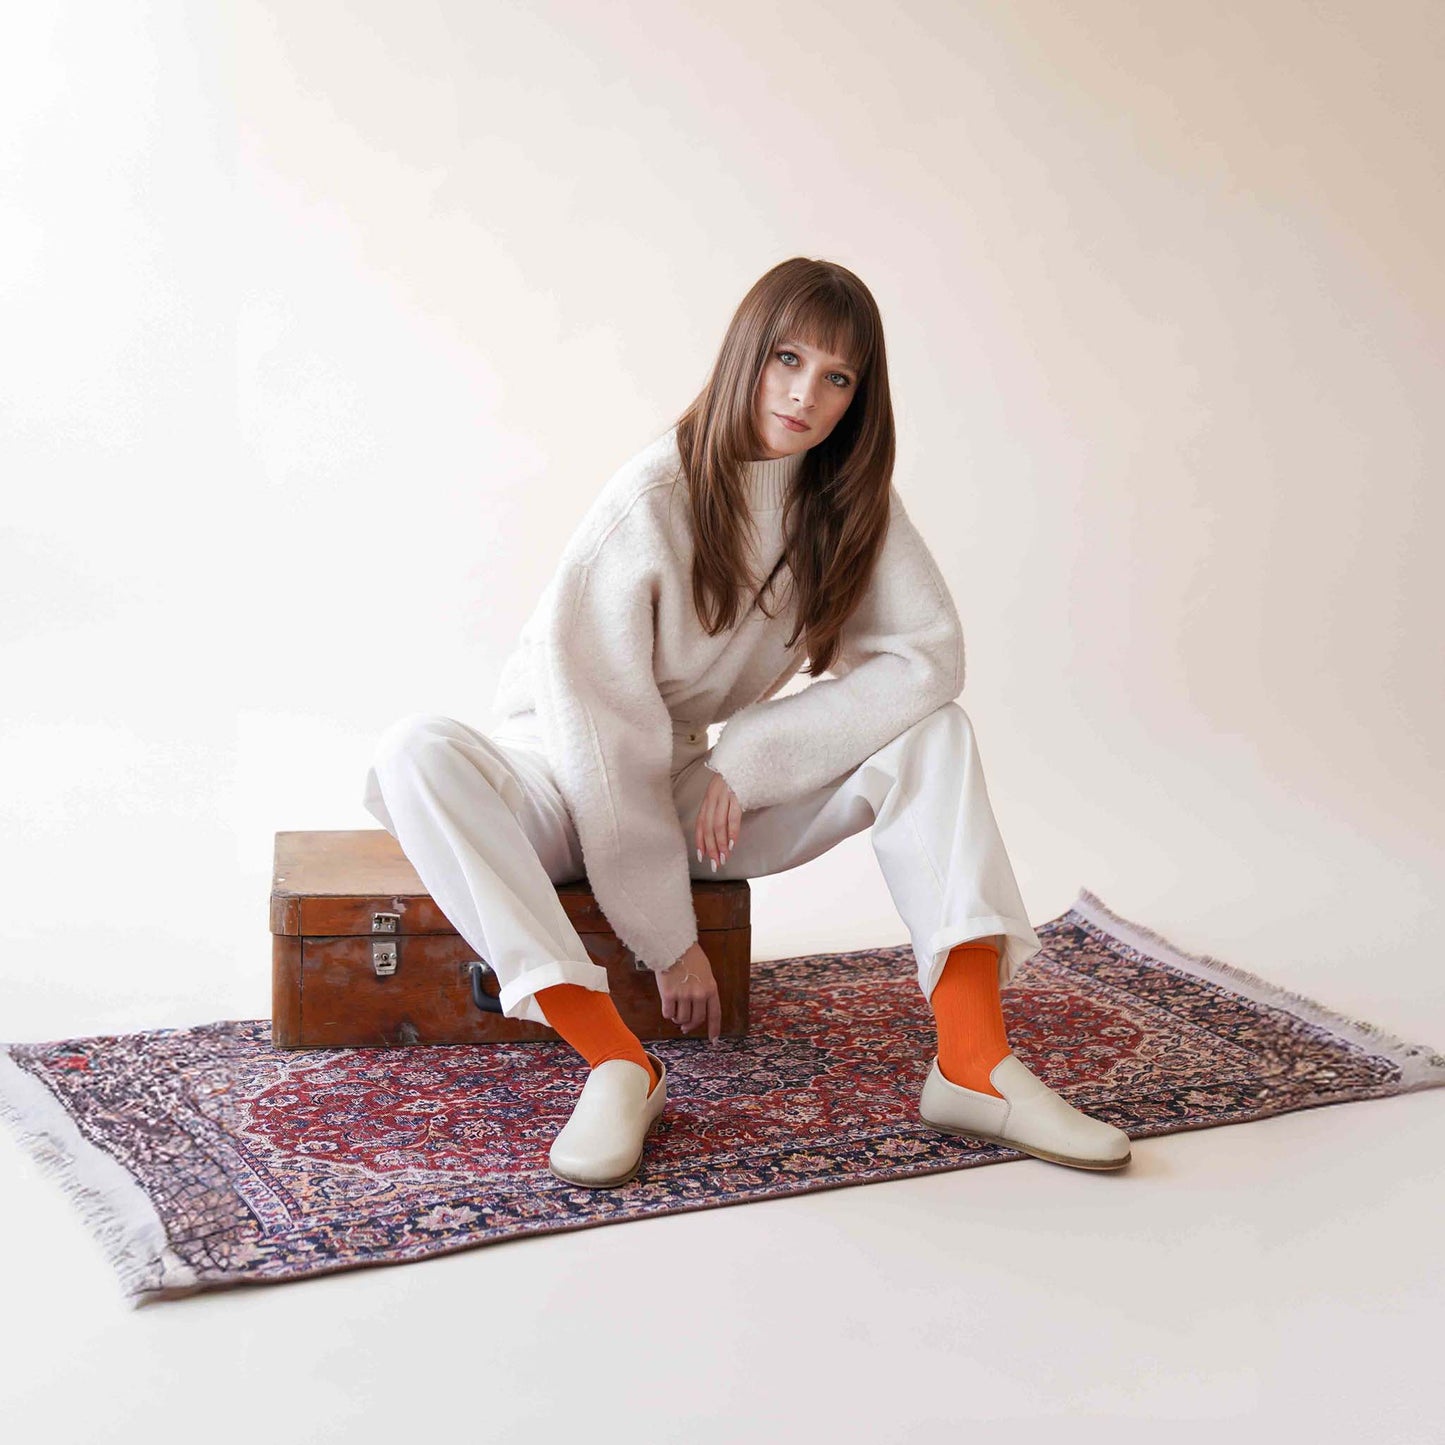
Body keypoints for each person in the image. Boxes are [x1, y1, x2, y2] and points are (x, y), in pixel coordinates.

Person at [361, 257, 1131, 1188]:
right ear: (744, 357)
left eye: (837, 377)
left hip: (691, 787)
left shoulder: (843, 505)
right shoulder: (651, 498)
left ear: (859, 397)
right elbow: (601, 745)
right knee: (412, 753)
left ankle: (971, 1058)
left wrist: (752, 758)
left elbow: (924, 658)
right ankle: (616, 1059)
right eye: (786, 359)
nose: (806, 393)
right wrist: (667, 937)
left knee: (937, 733)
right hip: (553, 779)